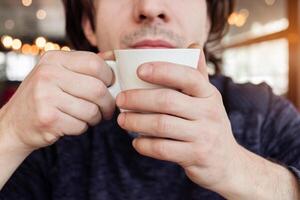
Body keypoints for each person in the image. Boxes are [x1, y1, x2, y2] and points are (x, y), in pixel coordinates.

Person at [0, 0, 299, 199]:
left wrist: (235, 167)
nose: (150, 7)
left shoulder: (264, 112)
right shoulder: (49, 130)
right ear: (89, 25)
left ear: (208, 21)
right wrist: (10, 133)